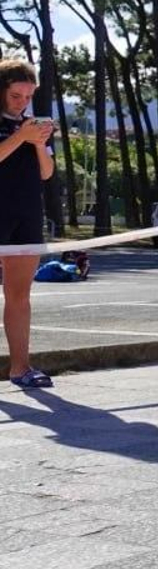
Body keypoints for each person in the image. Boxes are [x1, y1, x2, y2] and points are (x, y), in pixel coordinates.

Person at [0, 59, 55, 390]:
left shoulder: (35, 126)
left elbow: (47, 173)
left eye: (28, 96)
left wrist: (37, 142)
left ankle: (21, 368)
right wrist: (21, 135)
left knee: (19, 295)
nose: (22, 103)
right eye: (16, 96)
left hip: (27, 214)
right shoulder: (17, 127)